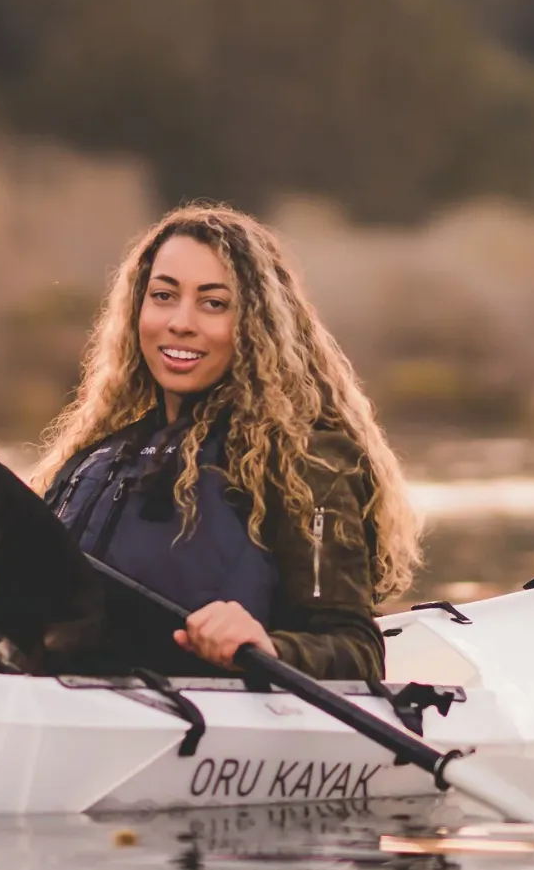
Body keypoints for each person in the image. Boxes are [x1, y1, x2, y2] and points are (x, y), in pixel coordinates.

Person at [32, 203, 421, 680]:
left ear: (254, 326)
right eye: (163, 296)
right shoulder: (100, 455)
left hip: (219, 729)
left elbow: (356, 651)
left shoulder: (307, 461)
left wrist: (270, 648)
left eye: (213, 303)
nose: (181, 322)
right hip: (70, 704)